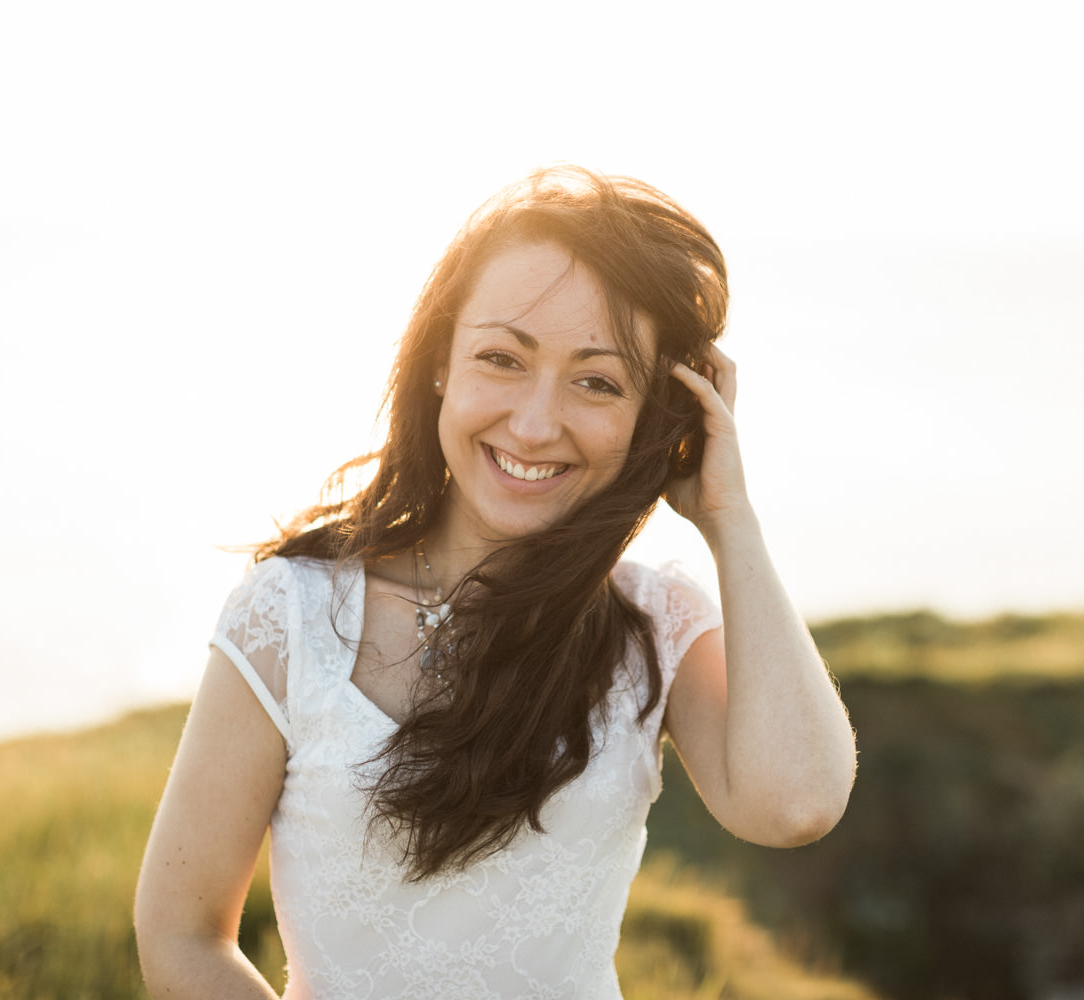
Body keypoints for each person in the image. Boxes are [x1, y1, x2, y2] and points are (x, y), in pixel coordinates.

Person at [134, 165, 857, 999]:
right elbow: (182, 934)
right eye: (503, 359)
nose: (536, 422)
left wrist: (730, 517)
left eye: (597, 381)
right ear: (440, 360)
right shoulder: (287, 617)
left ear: (652, 416)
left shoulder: (653, 625)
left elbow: (796, 803)